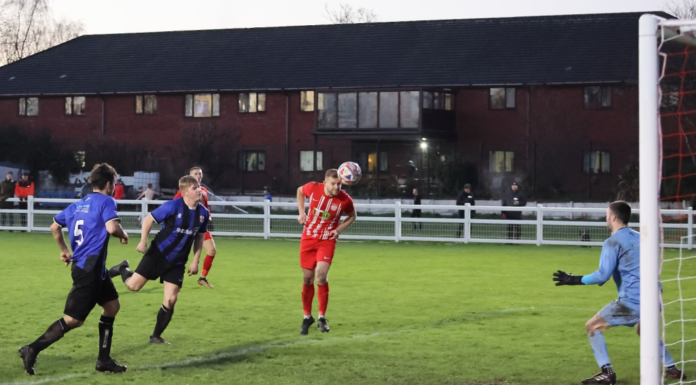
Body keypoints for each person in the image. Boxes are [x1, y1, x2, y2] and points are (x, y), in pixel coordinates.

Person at [553, 201, 685, 384]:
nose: (606, 218)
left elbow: (602, 276)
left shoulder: (613, 242)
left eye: (607, 215)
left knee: (592, 326)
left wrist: (573, 279)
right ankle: (672, 368)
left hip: (633, 301)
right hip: (655, 297)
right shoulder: (642, 237)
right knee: (645, 330)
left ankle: (606, 373)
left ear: (613, 217)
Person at [18, 163, 129, 375]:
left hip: (91, 267)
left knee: (112, 306)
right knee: (73, 320)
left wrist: (64, 249)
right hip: (90, 268)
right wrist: (123, 234)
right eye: (114, 183)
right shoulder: (107, 200)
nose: (114, 187)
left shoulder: (78, 205)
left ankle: (103, 360)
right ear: (109, 183)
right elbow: (112, 227)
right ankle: (31, 348)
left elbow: (54, 226)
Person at [110, 175, 209, 344]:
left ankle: (155, 336)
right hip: (158, 254)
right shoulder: (172, 206)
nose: (199, 190)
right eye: (195, 188)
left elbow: (200, 237)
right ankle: (122, 268)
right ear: (185, 193)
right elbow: (149, 219)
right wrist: (143, 240)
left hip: (177, 262)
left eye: (199, 187)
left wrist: (196, 260)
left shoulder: (203, 213)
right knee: (133, 286)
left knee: (171, 300)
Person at [297, 169, 357, 335]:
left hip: (327, 240)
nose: (337, 187)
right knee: (307, 278)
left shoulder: (345, 200)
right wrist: (302, 212)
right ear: (325, 182)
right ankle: (307, 317)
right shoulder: (313, 188)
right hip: (308, 238)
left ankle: (322, 317)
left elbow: (352, 216)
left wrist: (338, 230)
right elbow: (300, 191)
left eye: (339, 184)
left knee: (321, 276)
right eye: (333, 183)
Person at [173, 167, 217, 289]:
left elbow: (206, 206)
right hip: (186, 226)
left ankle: (202, 278)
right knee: (177, 252)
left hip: (200, 227)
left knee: (212, 250)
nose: (198, 175)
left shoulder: (204, 190)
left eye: (200, 174)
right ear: (190, 175)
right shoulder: (185, 191)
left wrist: (209, 215)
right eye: (195, 174)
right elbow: (175, 204)